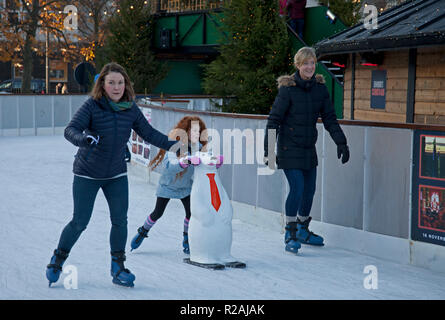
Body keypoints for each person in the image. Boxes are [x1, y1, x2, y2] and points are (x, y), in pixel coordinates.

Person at [45, 62, 181, 288]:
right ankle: (58, 259)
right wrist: (84, 139)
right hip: (87, 173)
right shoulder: (92, 106)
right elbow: (70, 130)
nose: (117, 87)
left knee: (120, 220)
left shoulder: (130, 108)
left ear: (125, 84)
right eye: (111, 83)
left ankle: (118, 267)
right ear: (103, 85)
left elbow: (148, 134)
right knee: (80, 222)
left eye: (120, 82)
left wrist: (175, 146)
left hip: (116, 174)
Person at [264, 47, 349, 254]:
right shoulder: (288, 89)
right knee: (298, 188)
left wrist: (341, 142)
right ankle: (290, 231)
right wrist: (269, 151)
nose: (309, 67)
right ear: (298, 65)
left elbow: (329, 118)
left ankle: (303, 228)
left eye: (312, 63)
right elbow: (274, 120)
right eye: (305, 64)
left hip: (308, 147)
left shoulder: (320, 89)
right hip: (288, 147)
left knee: (310, 190)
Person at [130, 116, 208, 254]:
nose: (195, 134)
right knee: (158, 213)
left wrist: (213, 161)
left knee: (191, 212)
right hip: (168, 186)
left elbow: (205, 161)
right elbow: (168, 166)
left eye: (198, 131)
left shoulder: (199, 148)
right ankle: (143, 231)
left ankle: (186, 238)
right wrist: (184, 163)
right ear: (185, 131)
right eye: (192, 131)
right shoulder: (174, 145)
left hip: (185, 187)